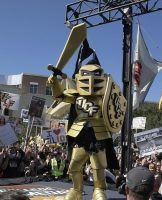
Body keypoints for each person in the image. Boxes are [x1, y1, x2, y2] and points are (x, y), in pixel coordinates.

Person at [47, 60, 126, 200]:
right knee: (74, 165)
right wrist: (54, 83)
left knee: (98, 167)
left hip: (99, 134)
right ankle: (76, 190)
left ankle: (99, 190)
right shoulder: (76, 95)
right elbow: (60, 96)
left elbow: (116, 107)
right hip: (80, 134)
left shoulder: (106, 95)